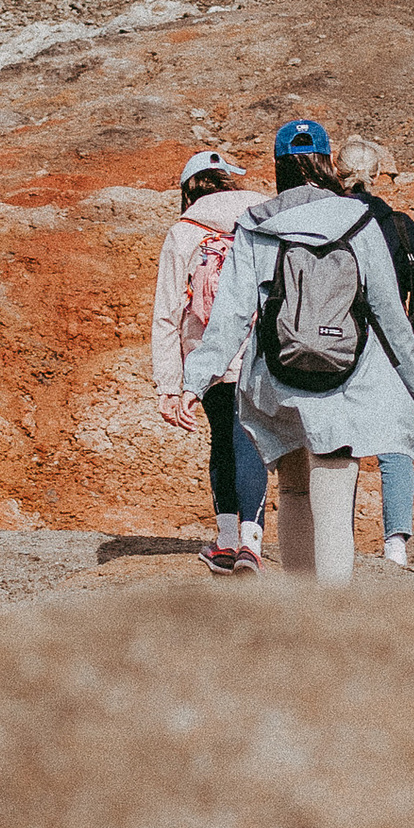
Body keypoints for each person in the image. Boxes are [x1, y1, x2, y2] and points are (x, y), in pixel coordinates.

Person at [180, 116, 414, 586]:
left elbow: (232, 317)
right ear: (325, 163)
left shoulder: (258, 224)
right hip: (348, 385)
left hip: (278, 382)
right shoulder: (358, 221)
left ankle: (298, 617)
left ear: (280, 166)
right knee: (334, 507)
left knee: (295, 493)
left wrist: (193, 383)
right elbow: (389, 317)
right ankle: (332, 620)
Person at [153, 146, 269, 574]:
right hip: (260, 346)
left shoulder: (183, 232)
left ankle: (224, 542)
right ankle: (251, 543)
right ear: (230, 183)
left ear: (189, 191)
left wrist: (169, 385)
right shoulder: (264, 217)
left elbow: (166, 312)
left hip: (205, 353)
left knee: (223, 435)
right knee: (250, 437)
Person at [338, 133, 414, 566]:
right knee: (395, 441)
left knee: (338, 441)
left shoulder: (329, 219)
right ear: (379, 175)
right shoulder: (399, 224)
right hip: (388, 344)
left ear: (337, 173)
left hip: (336, 341)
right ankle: (395, 545)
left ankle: (336, 539)